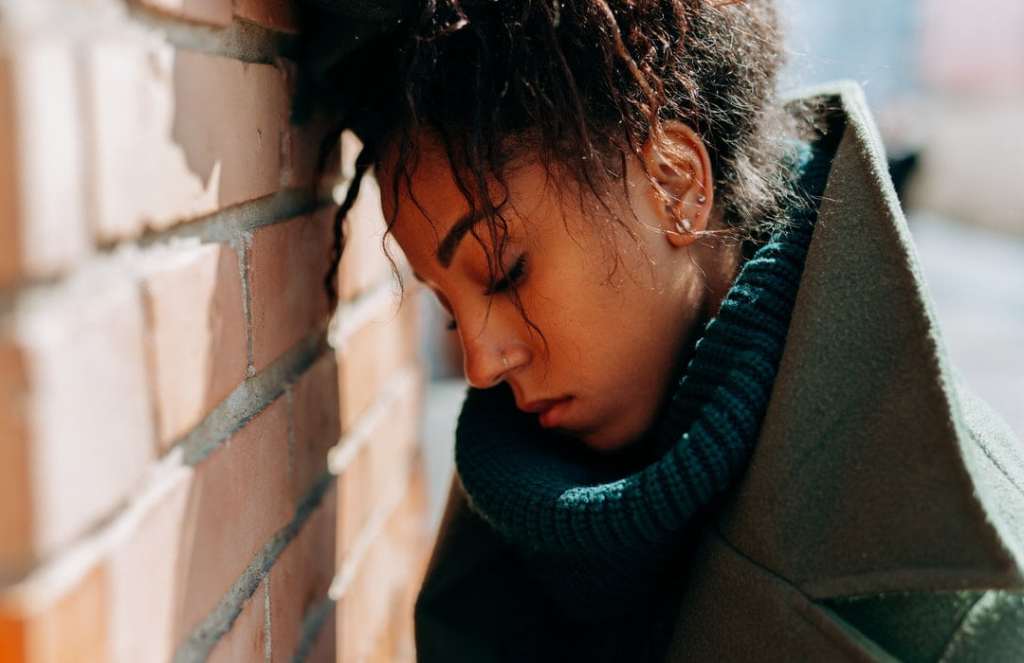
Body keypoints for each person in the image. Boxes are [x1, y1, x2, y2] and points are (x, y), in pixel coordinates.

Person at [299, 0, 1024, 660]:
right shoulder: (510, 510)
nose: (482, 365)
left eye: (505, 270)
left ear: (675, 182)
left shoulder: (959, 592)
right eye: (449, 309)